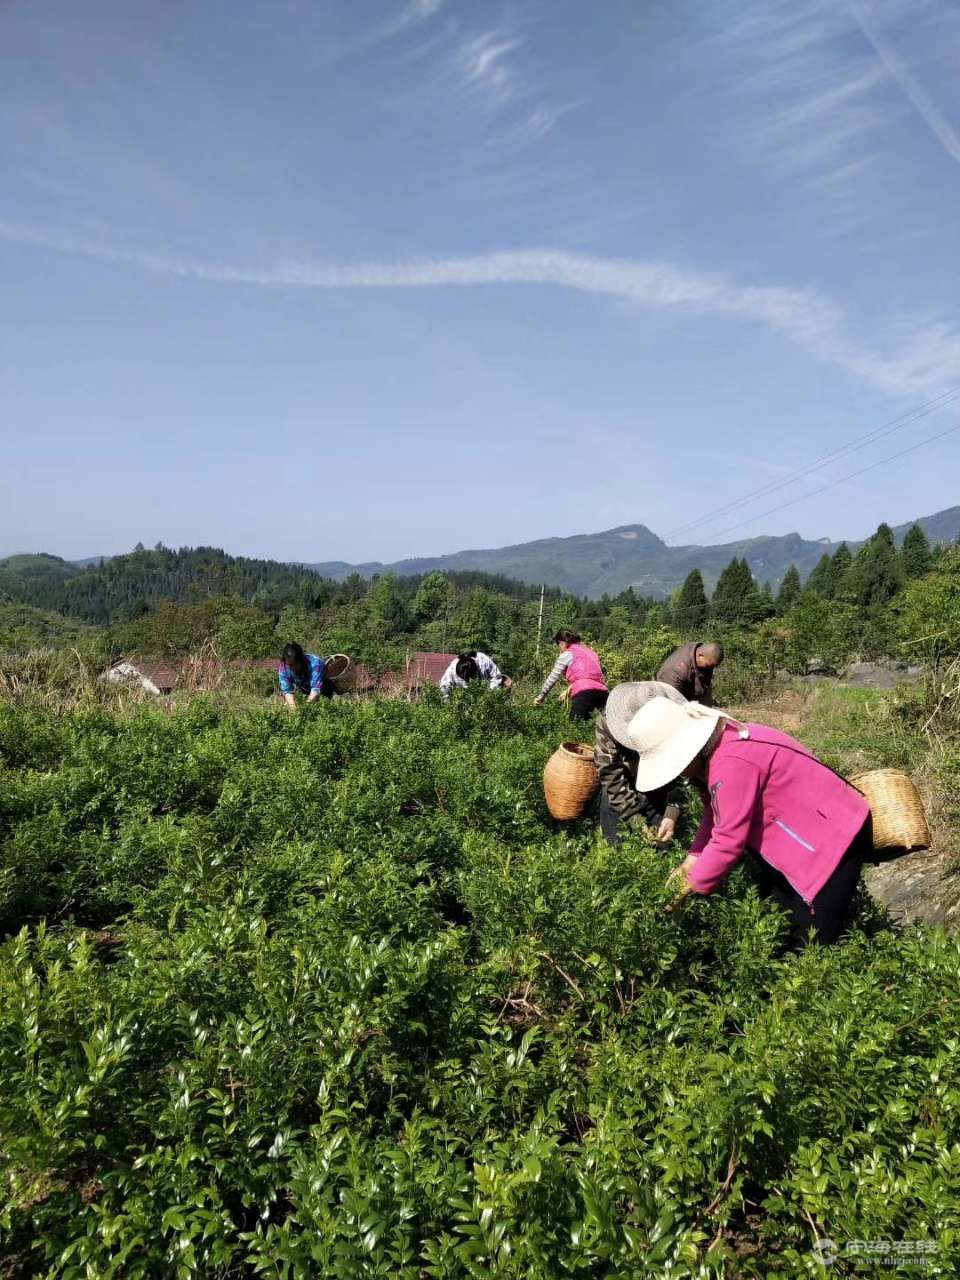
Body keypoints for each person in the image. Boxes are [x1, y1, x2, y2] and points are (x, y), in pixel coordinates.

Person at [627, 698, 872, 948]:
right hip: (809, 830)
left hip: (834, 838)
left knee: (809, 943)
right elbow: (715, 814)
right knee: (780, 924)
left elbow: (727, 840)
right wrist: (692, 860)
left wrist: (686, 889)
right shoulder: (718, 751)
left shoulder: (730, 762)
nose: (678, 773)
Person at [594, 681, 688, 848]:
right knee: (618, 848)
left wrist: (672, 811)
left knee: (663, 845)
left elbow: (680, 771)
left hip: (659, 785)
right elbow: (611, 775)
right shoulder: (608, 724)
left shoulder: (675, 726)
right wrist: (635, 819)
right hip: (622, 785)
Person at [534, 630, 609, 721]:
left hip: (585, 694)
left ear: (561, 643)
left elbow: (552, 679)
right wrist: (569, 690)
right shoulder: (592, 653)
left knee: (576, 728)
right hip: (604, 694)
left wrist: (540, 698)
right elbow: (590, 677)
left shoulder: (567, 654)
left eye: (558, 646)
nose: (559, 650)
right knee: (602, 730)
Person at [656, 640, 724, 705]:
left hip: (691, 688)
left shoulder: (701, 651)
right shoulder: (677, 669)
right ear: (700, 656)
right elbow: (672, 702)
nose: (710, 669)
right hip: (672, 694)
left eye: (713, 667)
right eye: (708, 666)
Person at [439, 651, 513, 702]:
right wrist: (448, 704)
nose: (469, 681)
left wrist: (489, 695)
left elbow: (497, 677)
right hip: (464, 697)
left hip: (487, 691)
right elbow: (444, 687)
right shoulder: (452, 669)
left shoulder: (483, 660)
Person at [278, 642, 332, 710]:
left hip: (325, 686)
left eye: (294, 665)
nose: (292, 668)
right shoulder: (284, 667)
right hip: (304, 688)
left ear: (301, 660)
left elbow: (316, 689)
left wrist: (305, 708)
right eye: (289, 665)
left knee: (324, 707)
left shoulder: (315, 664)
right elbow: (287, 691)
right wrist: (294, 709)